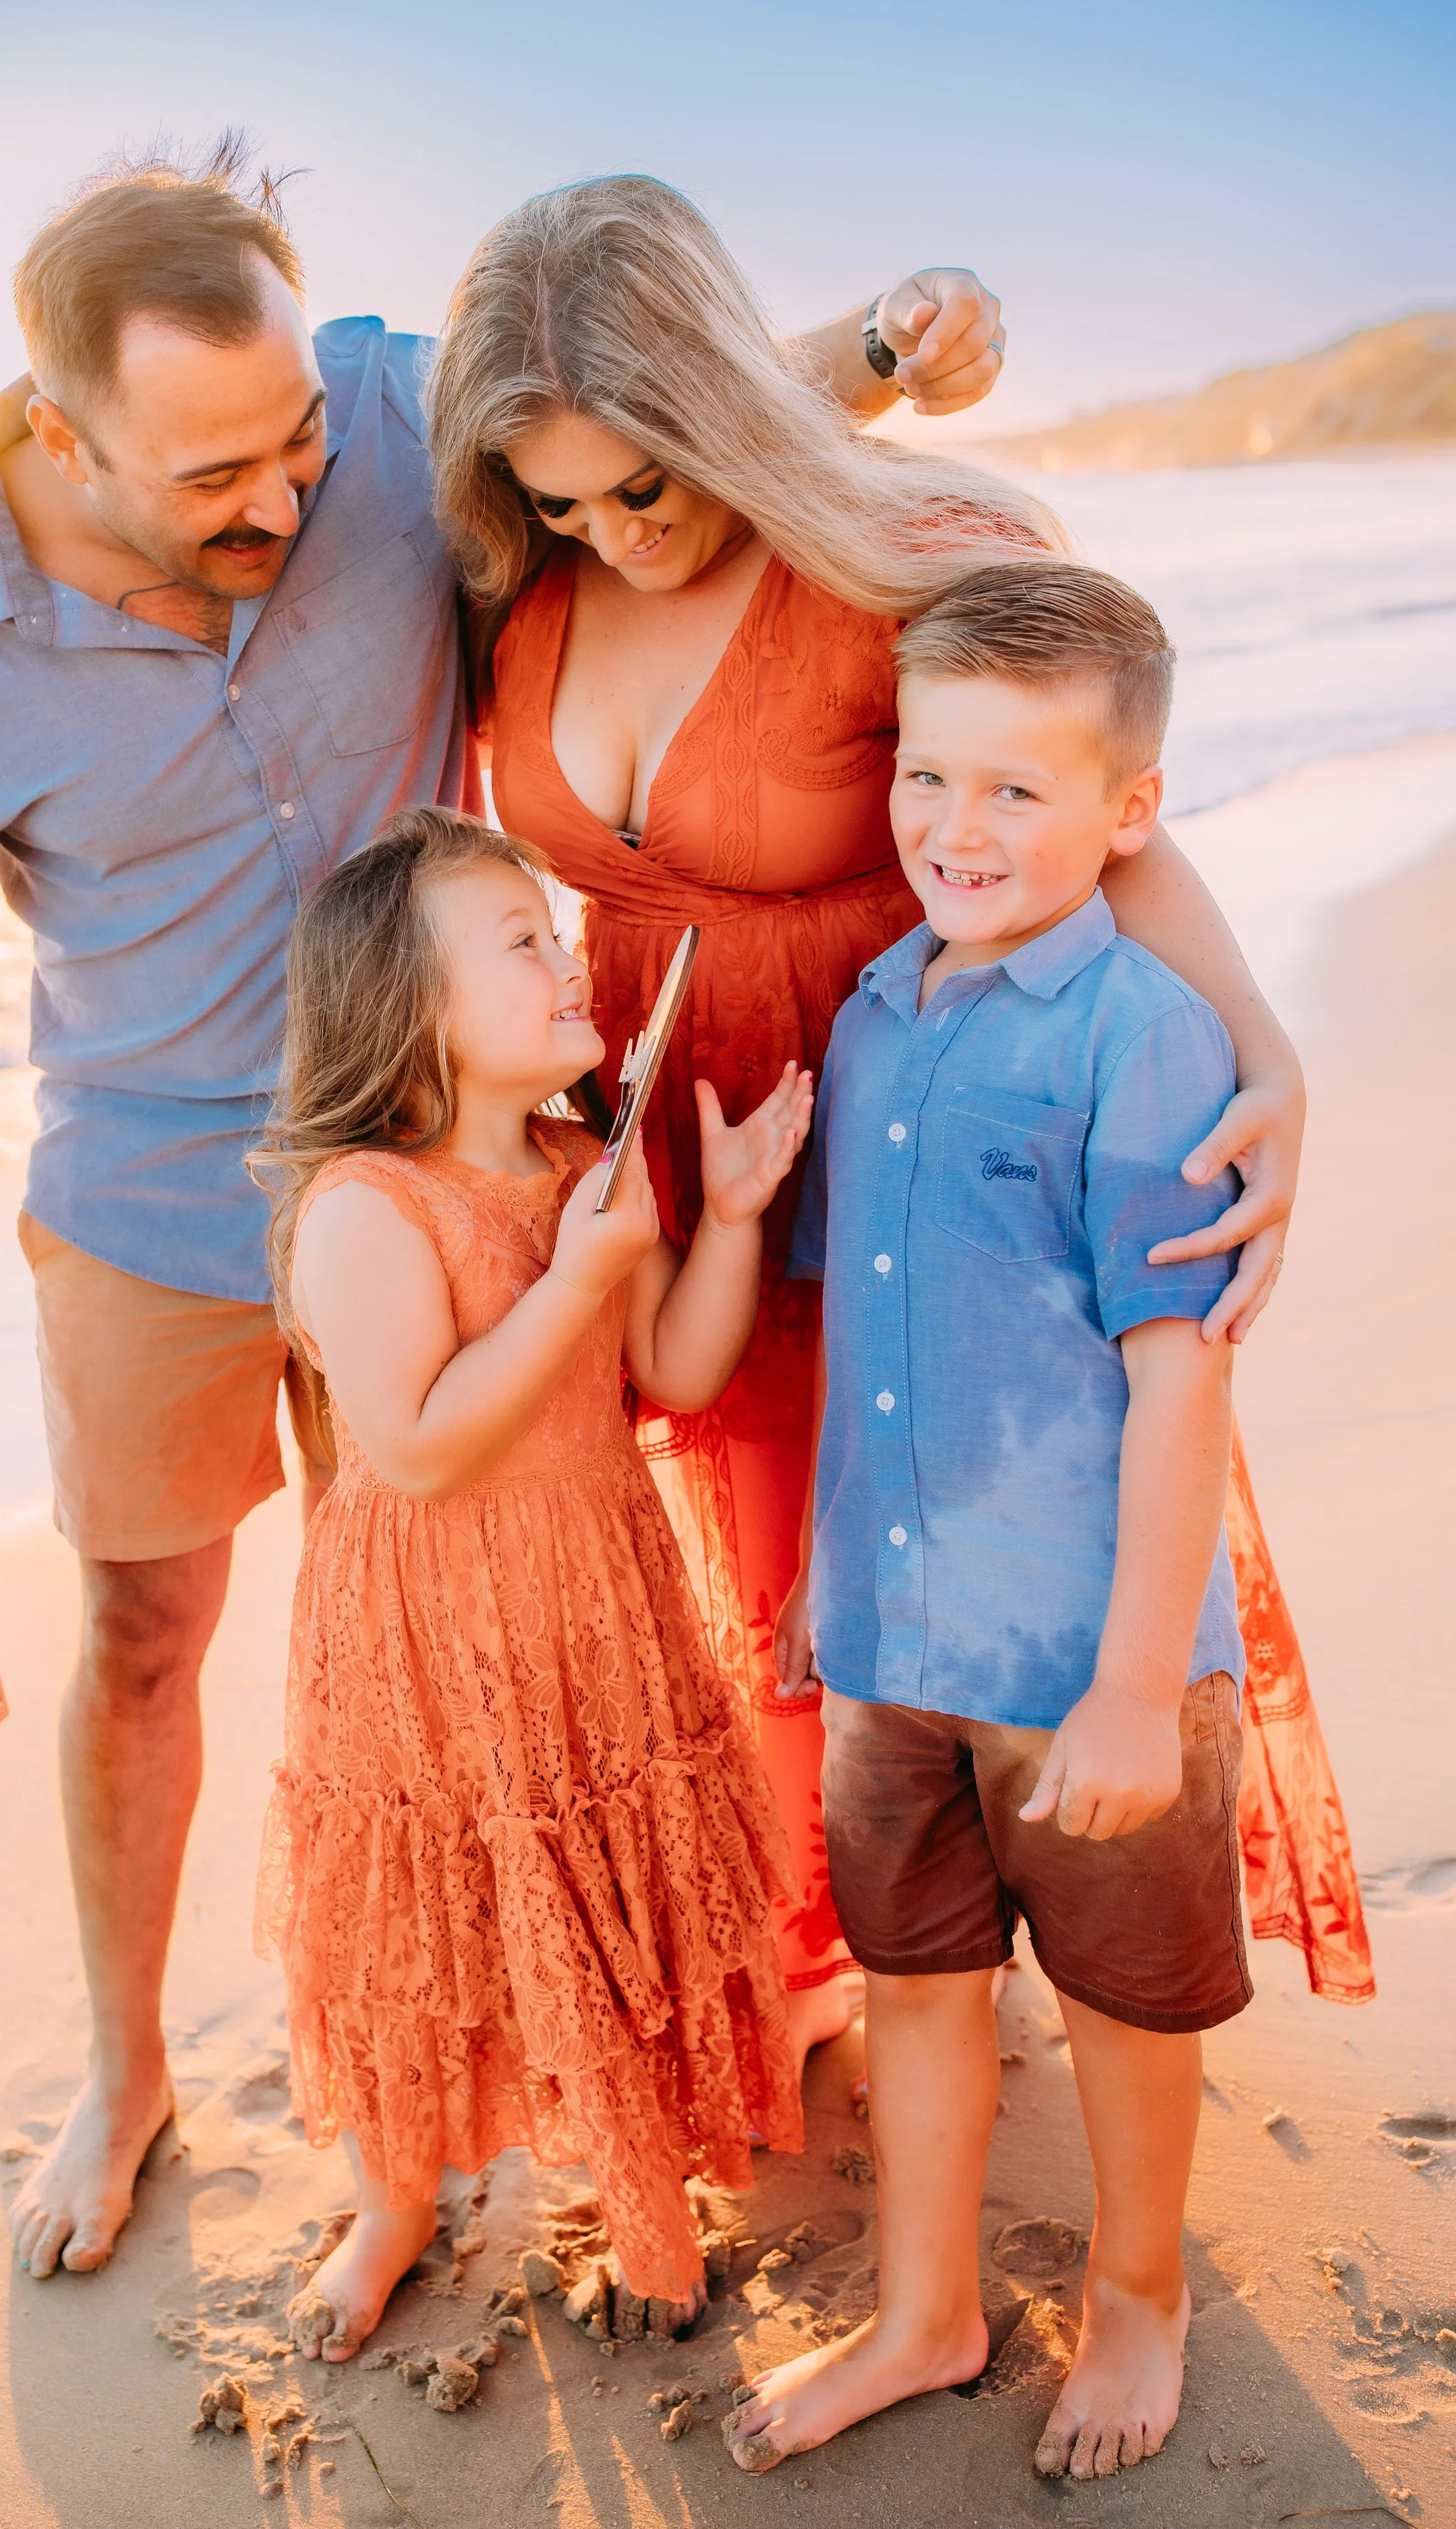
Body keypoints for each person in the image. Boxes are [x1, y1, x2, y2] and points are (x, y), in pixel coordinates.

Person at [0, 138, 1008, 2279]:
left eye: (295, 446)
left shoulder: (374, 411)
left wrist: (892, 346)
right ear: (54, 432)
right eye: (217, 482)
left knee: (495, 1642)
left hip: (473, 1173)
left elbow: (640, 404)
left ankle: (538, 2055)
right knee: (151, 1627)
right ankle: (126, 2063)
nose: (286, 505)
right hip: (163, 1196)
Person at [427, 175, 1372, 2056]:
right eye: (560, 500)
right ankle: (823, 1942)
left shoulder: (886, 555)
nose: (613, 534)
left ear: (714, 406)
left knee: (917, 1542)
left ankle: (963, 1940)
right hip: (664, 1166)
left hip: (903, 1146)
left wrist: (1264, 1046)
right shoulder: (508, 587)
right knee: (732, 1559)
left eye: (646, 478)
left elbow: (1091, 803)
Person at [726, 563, 1259, 2480]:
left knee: (1122, 2001)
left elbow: (1178, 1371)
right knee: (917, 1981)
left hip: (1083, 1657)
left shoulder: (1140, 1030)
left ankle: (1137, 2292)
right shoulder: (876, 1017)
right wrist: (822, 1571)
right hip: (891, 1636)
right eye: (926, 777)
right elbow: (879, 1335)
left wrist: (1132, 1683)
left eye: (1016, 791)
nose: (955, 829)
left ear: (1130, 810)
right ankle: (924, 2307)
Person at [249, 807, 809, 2352]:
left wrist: (732, 1222)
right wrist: (572, 1271)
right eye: (523, 944)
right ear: (411, 1008)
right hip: (428, 1630)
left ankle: (645, 2205)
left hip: (586, 1602)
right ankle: (393, 2206)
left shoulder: (579, 1164)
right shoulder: (364, 1207)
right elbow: (419, 1449)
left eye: (558, 936)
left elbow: (673, 1371)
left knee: (594, 1890)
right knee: (418, 1923)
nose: (571, 964)